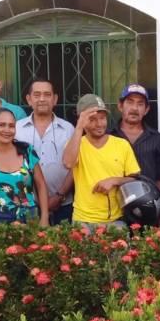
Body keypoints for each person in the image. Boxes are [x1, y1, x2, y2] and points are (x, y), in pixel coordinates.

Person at [62, 94, 140, 228]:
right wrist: (79, 127)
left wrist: (114, 180)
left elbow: (135, 179)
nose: (99, 124)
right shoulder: (76, 144)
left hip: (116, 220)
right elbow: (68, 163)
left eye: (102, 118)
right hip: (83, 221)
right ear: (82, 120)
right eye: (92, 119)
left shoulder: (121, 144)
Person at [0, 108, 49, 226]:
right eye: (1, 125)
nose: (7, 130)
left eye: (11, 126)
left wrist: (44, 218)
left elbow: (41, 185)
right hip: (0, 220)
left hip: (32, 218)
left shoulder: (27, 151)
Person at [15, 79, 75, 225]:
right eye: (37, 94)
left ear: (55, 99)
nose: (42, 99)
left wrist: (60, 195)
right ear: (29, 99)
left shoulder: (68, 129)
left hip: (63, 203)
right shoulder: (16, 129)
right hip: (26, 205)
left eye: (47, 94)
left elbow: (75, 167)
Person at [110, 84, 160, 227]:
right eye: (130, 102)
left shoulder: (156, 138)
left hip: (149, 212)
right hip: (115, 213)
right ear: (120, 106)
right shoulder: (108, 136)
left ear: (147, 109)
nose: (134, 108)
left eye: (140, 104)